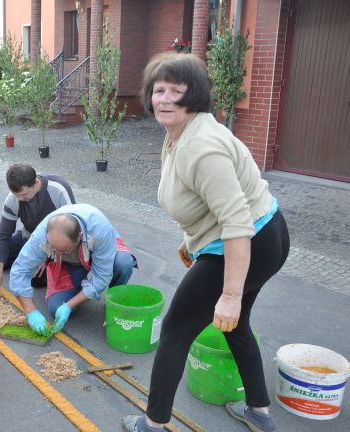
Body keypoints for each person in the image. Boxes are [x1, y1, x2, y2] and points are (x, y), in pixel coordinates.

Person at [121, 53, 289, 432]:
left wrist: (229, 294)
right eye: (158, 90)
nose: (164, 99)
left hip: (246, 242)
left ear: (193, 97)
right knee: (238, 325)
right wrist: (189, 240)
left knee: (176, 329)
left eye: (175, 91)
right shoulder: (182, 132)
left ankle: (152, 424)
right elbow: (200, 202)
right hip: (260, 237)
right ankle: (260, 412)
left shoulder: (203, 146)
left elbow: (235, 222)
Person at [9, 203, 137, 336]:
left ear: (80, 236)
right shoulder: (41, 234)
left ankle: (113, 301)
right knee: (56, 308)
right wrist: (31, 312)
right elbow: (20, 269)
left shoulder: (100, 230)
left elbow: (102, 277)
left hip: (101, 250)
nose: (58, 252)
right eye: (54, 249)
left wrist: (69, 305)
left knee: (124, 263)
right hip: (71, 262)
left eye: (64, 250)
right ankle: (79, 286)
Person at [0, 164, 76, 293]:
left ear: (36, 182)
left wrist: (47, 257)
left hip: (56, 244)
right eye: (16, 195)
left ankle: (53, 264)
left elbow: (72, 230)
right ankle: (28, 260)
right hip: (29, 238)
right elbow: (3, 235)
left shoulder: (59, 189)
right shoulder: (14, 198)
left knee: (36, 280)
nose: (20, 199)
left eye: (24, 194)